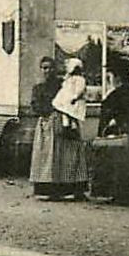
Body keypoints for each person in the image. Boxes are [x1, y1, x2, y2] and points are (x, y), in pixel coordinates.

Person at [97, 57, 129, 205]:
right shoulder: (123, 92)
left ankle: (123, 194)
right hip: (124, 130)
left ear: (117, 77)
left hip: (121, 130)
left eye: (110, 76)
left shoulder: (121, 93)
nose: (109, 78)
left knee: (121, 161)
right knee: (120, 162)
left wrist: (116, 119)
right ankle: (120, 193)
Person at [44, 55, 90, 200]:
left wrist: (73, 99)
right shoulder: (65, 82)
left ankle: (76, 188)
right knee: (60, 155)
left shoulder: (76, 81)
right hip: (63, 111)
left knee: (73, 153)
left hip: (71, 109)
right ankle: (59, 188)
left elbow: (78, 92)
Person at [28, 55, 72, 198]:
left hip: (62, 121)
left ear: (54, 69)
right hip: (46, 123)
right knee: (46, 156)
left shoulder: (62, 85)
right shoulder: (38, 88)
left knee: (63, 155)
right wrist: (46, 111)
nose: (47, 71)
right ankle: (45, 188)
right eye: (44, 68)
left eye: (50, 68)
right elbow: (35, 105)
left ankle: (65, 188)